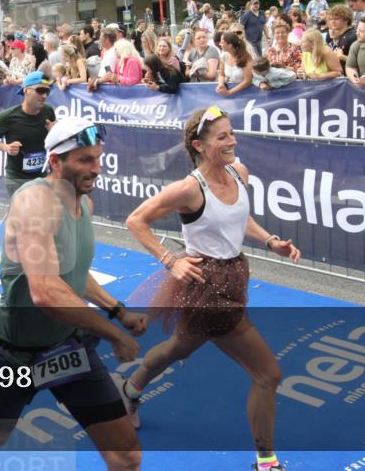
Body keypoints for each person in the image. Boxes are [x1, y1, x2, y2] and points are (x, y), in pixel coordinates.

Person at [0, 116, 145, 471]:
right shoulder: (35, 202)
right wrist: (114, 333)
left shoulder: (83, 204)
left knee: (127, 456)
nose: (96, 168)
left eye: (98, 158)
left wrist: (117, 310)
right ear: (55, 161)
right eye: (85, 160)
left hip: (68, 347)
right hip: (15, 354)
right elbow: (45, 291)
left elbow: (72, 275)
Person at [121, 105, 300, 471]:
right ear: (198, 145)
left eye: (232, 133)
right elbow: (135, 220)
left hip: (235, 276)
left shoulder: (239, 172)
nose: (232, 141)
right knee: (268, 375)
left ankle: (129, 391)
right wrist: (171, 260)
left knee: (179, 347)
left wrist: (270, 241)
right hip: (207, 289)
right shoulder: (188, 189)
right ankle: (266, 463)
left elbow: (240, 215)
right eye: (222, 137)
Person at [0, 71, 57, 195]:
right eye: (40, 90)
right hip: (17, 179)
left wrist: (54, 131)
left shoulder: (48, 111)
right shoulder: (8, 116)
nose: (44, 96)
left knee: (42, 213)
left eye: (47, 91)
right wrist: (6, 147)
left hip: (42, 176)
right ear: (26, 90)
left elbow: (54, 135)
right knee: (24, 213)